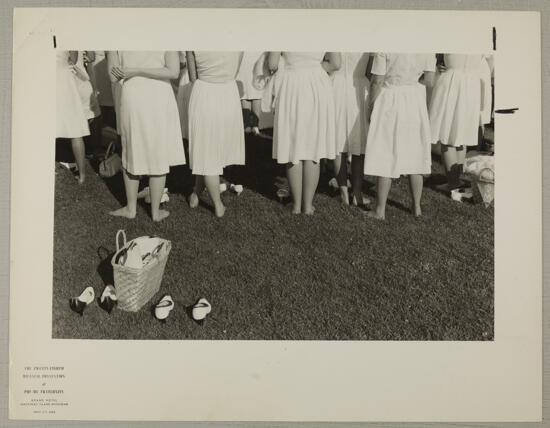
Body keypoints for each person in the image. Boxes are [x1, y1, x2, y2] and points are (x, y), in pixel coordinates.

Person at [107, 51, 186, 221]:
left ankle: (131, 208)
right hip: (157, 95)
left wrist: (135, 71)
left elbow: (113, 77)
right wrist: (139, 70)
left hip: (135, 94)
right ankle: (155, 212)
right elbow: (173, 72)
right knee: (157, 152)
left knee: (131, 150)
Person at [364, 53, 436, 220]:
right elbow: (430, 80)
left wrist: (371, 106)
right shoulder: (426, 45)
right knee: (415, 152)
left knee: (386, 151)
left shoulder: (386, 45)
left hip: (390, 98)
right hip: (414, 99)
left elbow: (377, 81)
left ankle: (380, 210)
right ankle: (416, 206)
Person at [268, 51, 340, 215]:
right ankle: (307, 206)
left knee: (293, 144)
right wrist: (316, 67)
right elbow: (336, 63)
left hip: (292, 83)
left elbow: (272, 64)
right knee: (313, 147)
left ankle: (296, 205)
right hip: (317, 82)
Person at [186, 51, 245, 218]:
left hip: (204, 91)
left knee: (206, 148)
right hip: (227, 93)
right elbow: (236, 70)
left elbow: (192, 76)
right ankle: (210, 200)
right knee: (208, 149)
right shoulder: (234, 38)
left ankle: (209, 200)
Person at [429, 54, 485, 191]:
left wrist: (440, 62)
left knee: (448, 137)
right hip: (471, 84)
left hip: (452, 83)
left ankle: (453, 183)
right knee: (461, 136)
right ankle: (456, 180)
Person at [330, 52, 370, 206]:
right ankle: (356, 193)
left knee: (338, 142)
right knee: (358, 145)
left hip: (337, 87)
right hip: (357, 88)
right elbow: (370, 69)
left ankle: (344, 192)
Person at [56, 50, 90, 184]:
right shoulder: (66, 34)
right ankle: (82, 175)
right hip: (64, 78)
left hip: (51, 77)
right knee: (75, 127)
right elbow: (74, 59)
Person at [236, 51, 264, 135]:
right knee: (247, 92)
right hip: (247, 59)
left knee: (255, 92)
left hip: (253, 59)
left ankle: (253, 126)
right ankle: (249, 125)